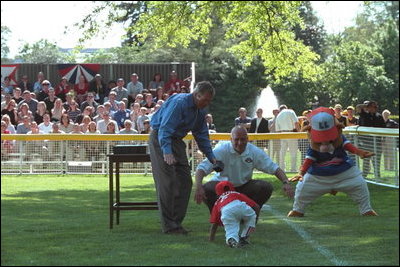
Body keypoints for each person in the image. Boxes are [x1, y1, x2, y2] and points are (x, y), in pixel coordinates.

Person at [149, 80, 218, 235]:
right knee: (168, 181)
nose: (206, 103)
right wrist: (166, 151)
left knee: (185, 181)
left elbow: (201, 135)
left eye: (209, 101)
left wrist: (211, 157)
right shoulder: (179, 103)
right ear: (196, 94)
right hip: (161, 139)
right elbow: (165, 128)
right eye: (205, 99)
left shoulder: (200, 111)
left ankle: (176, 222)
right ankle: (169, 226)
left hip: (177, 141)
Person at [194, 125, 294, 213]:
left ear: (247, 139)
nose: (240, 143)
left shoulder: (254, 151)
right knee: (206, 189)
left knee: (265, 187)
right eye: (236, 139)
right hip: (223, 187)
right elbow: (201, 169)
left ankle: (250, 214)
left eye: (243, 139)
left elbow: (274, 168)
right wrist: (198, 187)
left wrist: (286, 182)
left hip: (244, 187)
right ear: (231, 139)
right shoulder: (221, 150)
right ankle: (217, 214)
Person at [209, 181, 260, 248]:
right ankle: (244, 237)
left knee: (231, 230)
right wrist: (254, 220)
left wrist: (211, 239)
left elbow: (214, 224)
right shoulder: (237, 194)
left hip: (226, 211)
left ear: (218, 192)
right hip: (239, 204)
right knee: (251, 216)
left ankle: (232, 240)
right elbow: (256, 206)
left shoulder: (217, 202)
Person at [275, 104, 300, 172]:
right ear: (286, 108)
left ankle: (282, 168)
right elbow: (296, 123)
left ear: (280, 109)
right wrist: (299, 132)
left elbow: (277, 129)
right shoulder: (290, 111)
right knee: (293, 152)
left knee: (282, 152)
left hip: (282, 134)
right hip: (291, 133)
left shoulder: (278, 115)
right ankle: (293, 169)